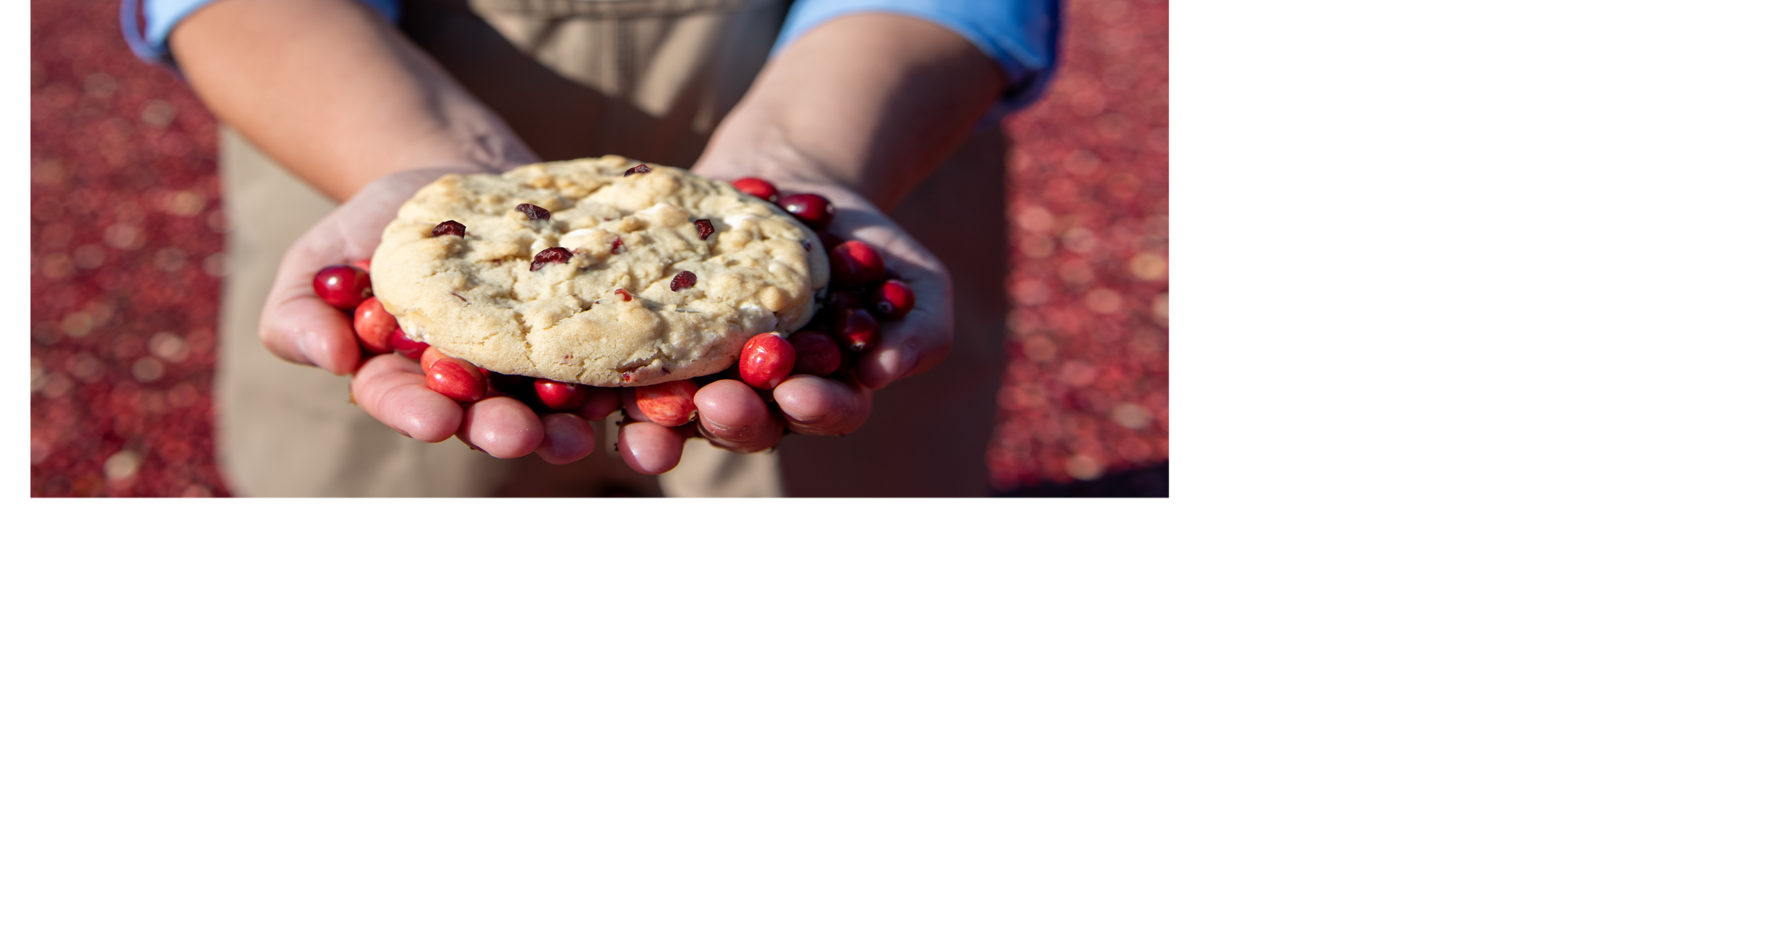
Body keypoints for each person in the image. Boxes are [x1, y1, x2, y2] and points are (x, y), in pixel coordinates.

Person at [123, 0, 1059, 497]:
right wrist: (411, 156)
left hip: (866, 108)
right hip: (349, 115)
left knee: (842, 460)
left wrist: (807, 159)